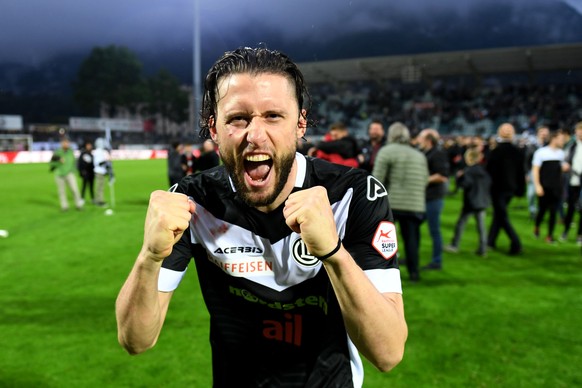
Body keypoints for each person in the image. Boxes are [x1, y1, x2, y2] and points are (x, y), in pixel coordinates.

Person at [115, 47, 407, 388]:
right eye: (238, 118)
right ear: (214, 128)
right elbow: (136, 341)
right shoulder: (194, 202)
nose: (255, 135)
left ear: (300, 124)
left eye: (273, 116)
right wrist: (150, 257)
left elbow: (387, 354)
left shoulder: (353, 195)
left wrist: (333, 253)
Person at [372, 122, 428, 282]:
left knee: (384, 240)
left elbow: (377, 181)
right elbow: (424, 179)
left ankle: (383, 273)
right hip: (415, 204)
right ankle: (414, 273)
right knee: (412, 240)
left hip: (392, 203)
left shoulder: (386, 151)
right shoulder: (419, 155)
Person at [486, 123, 526, 255]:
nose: (507, 131)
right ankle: (490, 241)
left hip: (498, 189)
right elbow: (521, 172)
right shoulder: (516, 151)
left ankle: (516, 243)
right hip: (509, 188)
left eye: (509, 129)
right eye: (505, 129)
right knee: (499, 215)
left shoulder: (495, 151)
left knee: (501, 215)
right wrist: (521, 189)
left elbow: (489, 172)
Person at [444, 147, 491, 257]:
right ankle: (483, 249)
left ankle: (454, 245)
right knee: (481, 226)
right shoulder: (483, 170)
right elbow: (489, 183)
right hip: (482, 201)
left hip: (471, 202)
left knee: (461, 223)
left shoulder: (468, 171)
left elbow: (465, 185)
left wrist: (459, 178)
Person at [417, 128, 449, 270]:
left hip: (434, 197)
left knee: (434, 230)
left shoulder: (437, 154)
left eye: (421, 138)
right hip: (425, 197)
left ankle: (437, 261)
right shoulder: (427, 153)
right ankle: (414, 255)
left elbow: (442, 176)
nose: (418, 140)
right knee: (414, 227)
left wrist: (423, 179)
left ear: (428, 140)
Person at [532, 128, 569, 243]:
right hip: (544, 186)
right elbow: (535, 170)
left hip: (556, 187)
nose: (563, 141)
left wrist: (565, 168)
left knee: (554, 212)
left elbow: (561, 170)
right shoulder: (541, 152)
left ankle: (549, 236)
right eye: (561, 139)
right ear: (554, 139)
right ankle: (537, 227)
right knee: (542, 210)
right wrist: (537, 185)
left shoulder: (561, 154)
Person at [49, 137, 84, 211]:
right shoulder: (57, 152)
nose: (66, 144)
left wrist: (74, 170)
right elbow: (51, 164)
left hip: (69, 173)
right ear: (61, 144)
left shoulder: (70, 152)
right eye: (64, 143)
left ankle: (78, 205)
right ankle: (64, 206)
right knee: (61, 191)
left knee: (75, 190)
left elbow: (74, 162)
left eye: (67, 143)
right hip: (59, 174)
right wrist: (58, 161)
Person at [561, 122, 582, 245]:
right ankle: (566, 231)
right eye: (579, 130)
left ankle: (580, 234)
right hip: (573, 179)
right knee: (570, 207)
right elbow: (565, 160)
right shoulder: (572, 146)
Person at [93, 137, 110, 207]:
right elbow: (98, 163)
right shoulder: (98, 152)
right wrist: (106, 163)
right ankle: (99, 201)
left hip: (101, 171)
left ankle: (100, 200)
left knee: (101, 186)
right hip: (99, 172)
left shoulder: (101, 151)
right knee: (99, 187)